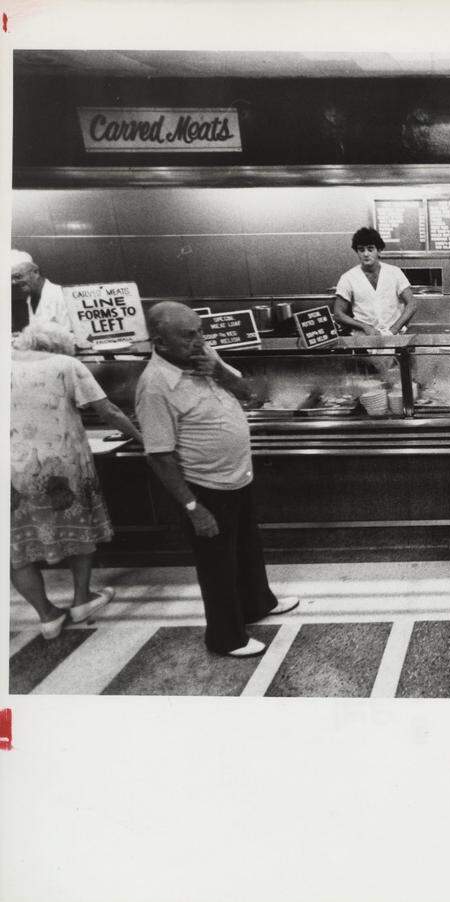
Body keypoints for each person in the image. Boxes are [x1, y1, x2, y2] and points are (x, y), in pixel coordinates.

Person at [135, 302, 299, 657]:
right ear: (160, 342)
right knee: (217, 566)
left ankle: (258, 602)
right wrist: (193, 508)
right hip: (203, 487)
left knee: (246, 548)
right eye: (188, 335)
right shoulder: (155, 386)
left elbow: (250, 392)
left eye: (200, 331)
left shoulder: (205, 357)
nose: (199, 340)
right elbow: (159, 456)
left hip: (237, 475)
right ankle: (226, 637)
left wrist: (219, 372)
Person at [10, 321, 142, 639]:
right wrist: (140, 436)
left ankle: (47, 616)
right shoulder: (67, 364)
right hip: (60, 466)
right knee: (77, 530)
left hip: (10, 470)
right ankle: (82, 600)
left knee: (16, 547)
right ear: (60, 345)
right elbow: (108, 410)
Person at [332, 227, 418, 336]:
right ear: (357, 252)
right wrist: (365, 327)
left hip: (395, 336)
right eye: (361, 250)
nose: (366, 254)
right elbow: (338, 314)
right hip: (364, 338)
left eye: (370, 249)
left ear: (379, 250)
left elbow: (412, 303)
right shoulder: (348, 278)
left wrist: (394, 329)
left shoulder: (394, 272)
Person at [10, 250, 69, 333]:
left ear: (35, 272)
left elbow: (70, 337)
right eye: (11, 279)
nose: (13, 282)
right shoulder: (29, 298)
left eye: (18, 277)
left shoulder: (61, 296)